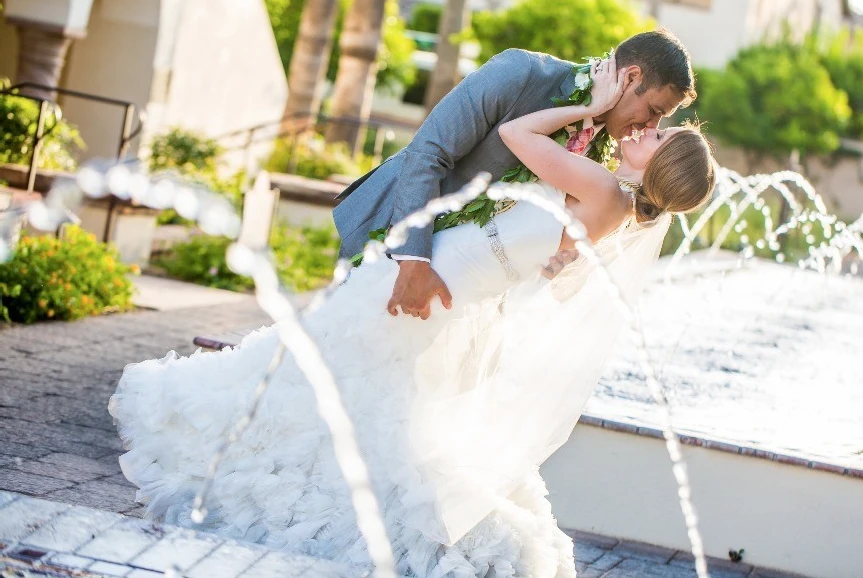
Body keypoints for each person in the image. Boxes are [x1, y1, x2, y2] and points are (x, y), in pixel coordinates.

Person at [109, 53, 716, 578]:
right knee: (355, 393)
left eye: (660, 135)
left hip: (441, 284)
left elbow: (519, 137)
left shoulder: (604, 187)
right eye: (656, 119)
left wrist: (588, 110)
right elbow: (477, 186)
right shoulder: (608, 189)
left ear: (658, 166)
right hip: (448, 284)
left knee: (332, 380)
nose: (650, 127)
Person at [333, 29, 698, 320]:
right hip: (390, 242)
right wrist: (414, 263)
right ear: (631, 77)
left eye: (661, 123)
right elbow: (428, 154)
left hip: (456, 293)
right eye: (653, 111)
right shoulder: (521, 73)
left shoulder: (603, 156)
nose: (650, 125)